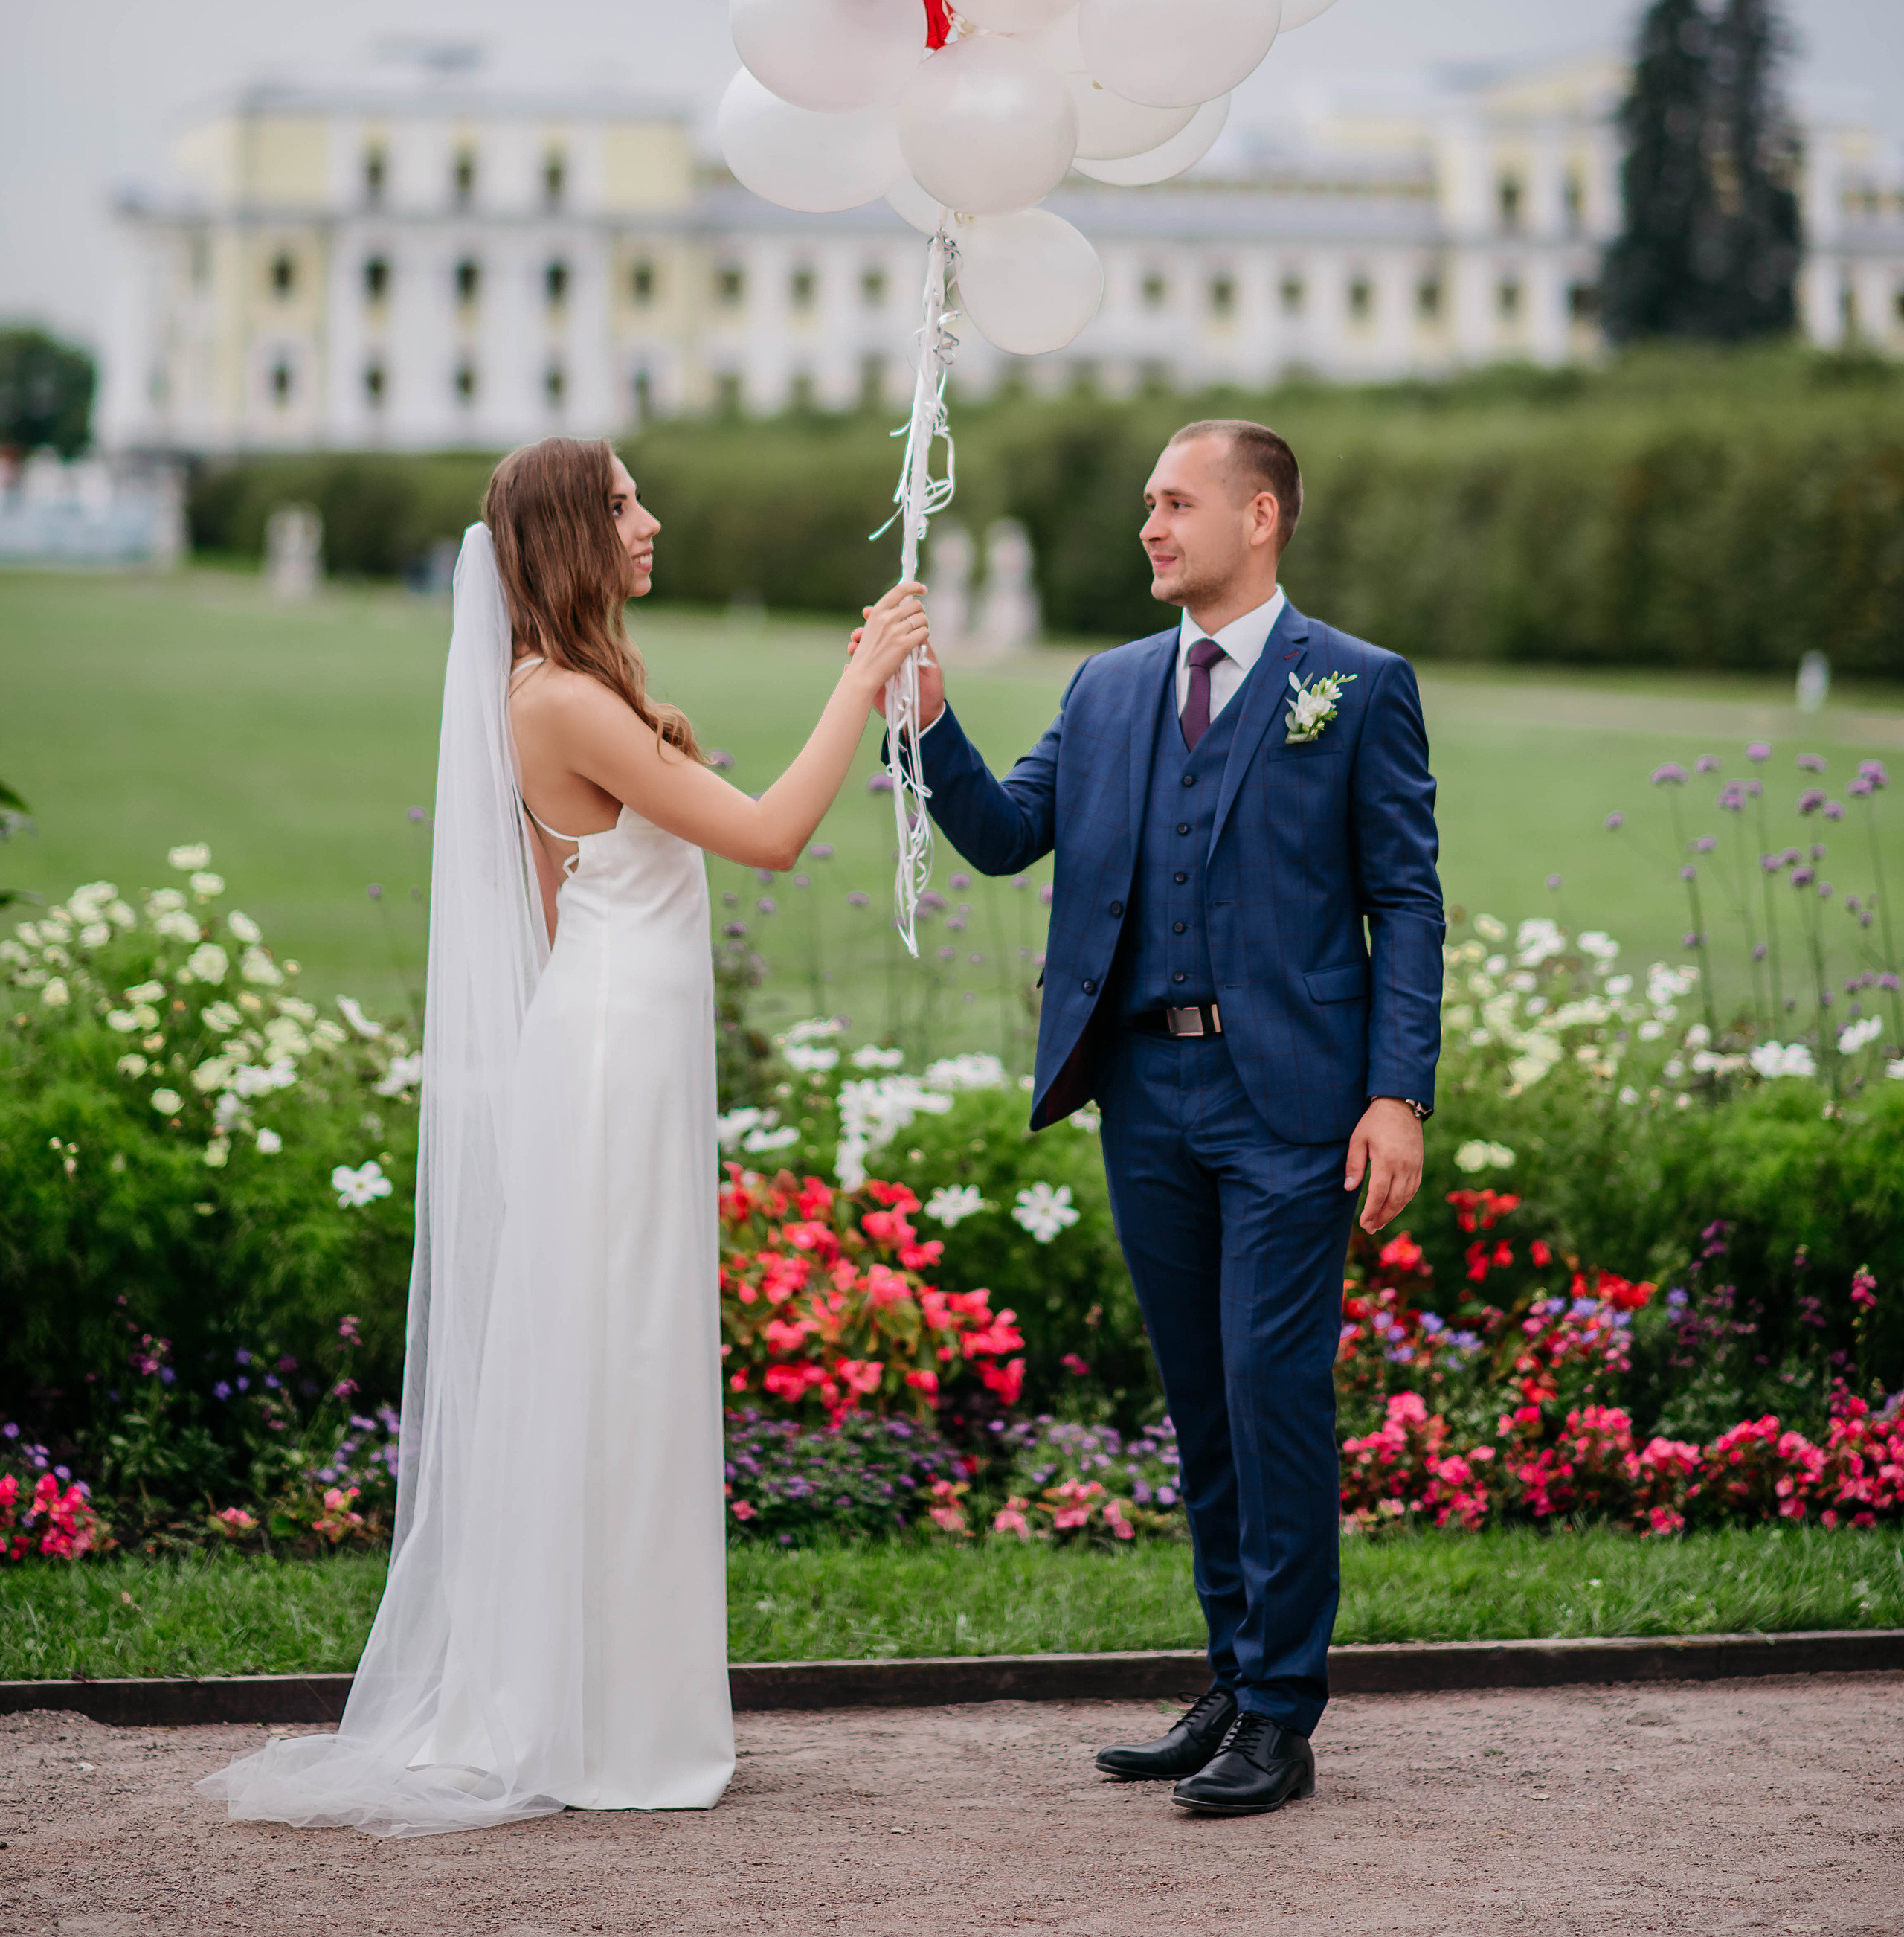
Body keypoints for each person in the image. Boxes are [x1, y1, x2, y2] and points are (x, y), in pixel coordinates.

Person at [200, 436, 929, 1837]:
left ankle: (612, 1702)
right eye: (622, 503)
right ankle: (596, 1724)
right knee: (620, 1360)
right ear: (570, 535)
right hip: (607, 1061)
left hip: (615, 1054)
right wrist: (858, 676)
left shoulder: (591, 693)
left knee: (626, 1365)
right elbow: (772, 838)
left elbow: (559, 896)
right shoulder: (560, 702)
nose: (650, 519)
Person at [895, 417, 1442, 1817]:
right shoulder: (1111, 685)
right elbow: (1011, 836)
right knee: (1202, 1405)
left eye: (1175, 502)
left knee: (1272, 1399)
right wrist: (928, 722)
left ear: (1260, 518)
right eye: (1145, 502)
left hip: (1296, 1109)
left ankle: (1281, 1712)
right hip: (1145, 1096)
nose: (1150, 524)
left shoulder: (1359, 688)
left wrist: (1397, 1093)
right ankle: (1231, 1675)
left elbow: (1408, 905)